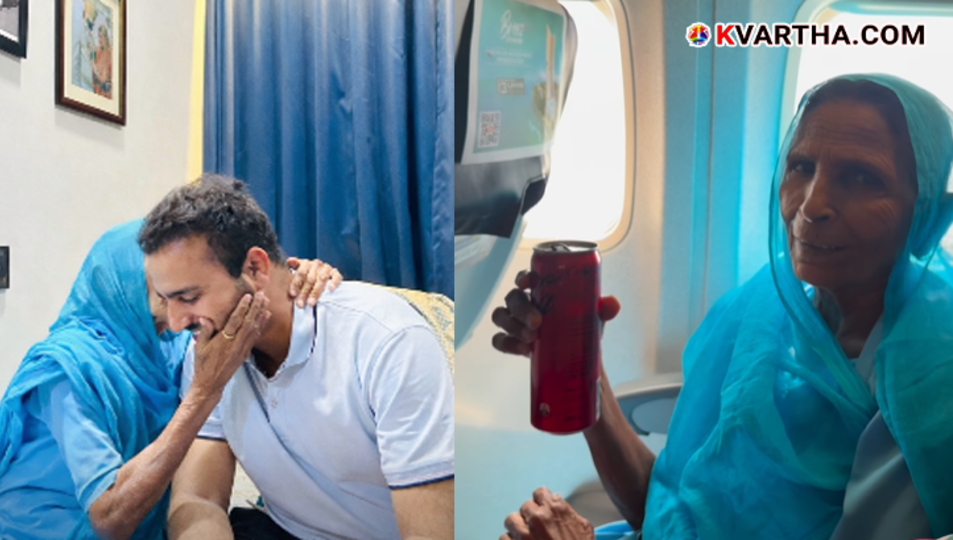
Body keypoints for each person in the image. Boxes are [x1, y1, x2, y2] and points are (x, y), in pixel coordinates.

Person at [492, 74, 953, 540]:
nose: (811, 205)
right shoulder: (763, 310)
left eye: (862, 177)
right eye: (800, 166)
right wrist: (584, 370)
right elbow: (669, 505)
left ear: (928, 215)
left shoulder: (930, 383)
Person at [139, 175, 455, 540]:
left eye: (189, 298)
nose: (177, 323)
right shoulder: (210, 349)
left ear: (254, 268)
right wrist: (204, 391)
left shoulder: (387, 340)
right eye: (167, 301)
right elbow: (199, 498)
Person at [0, 220, 341, 539]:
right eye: (161, 281)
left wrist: (295, 278)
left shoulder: (173, 344)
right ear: (121, 282)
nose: (175, 291)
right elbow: (110, 518)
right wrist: (203, 392)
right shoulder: (66, 370)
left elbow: (242, 306)